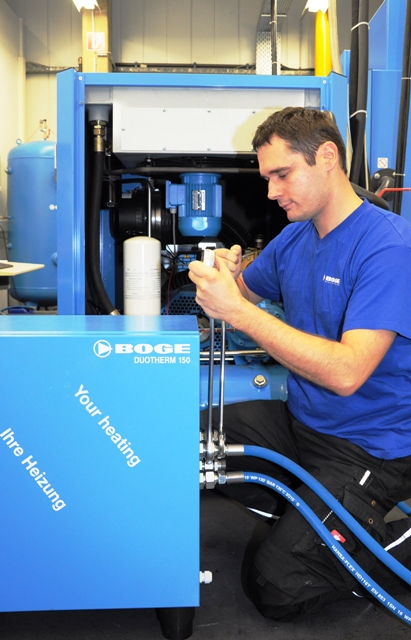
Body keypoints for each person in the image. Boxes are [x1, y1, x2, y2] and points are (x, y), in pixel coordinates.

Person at [188, 107, 411, 621]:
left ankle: (382, 538)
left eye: (282, 175)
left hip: (369, 448)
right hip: (303, 424)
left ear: (327, 157)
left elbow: (347, 373)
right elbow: (240, 292)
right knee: (181, 440)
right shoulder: (297, 237)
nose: (271, 192)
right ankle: (311, 512)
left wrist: (237, 311)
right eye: (267, 178)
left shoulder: (388, 247)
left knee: (277, 588)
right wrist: (223, 276)